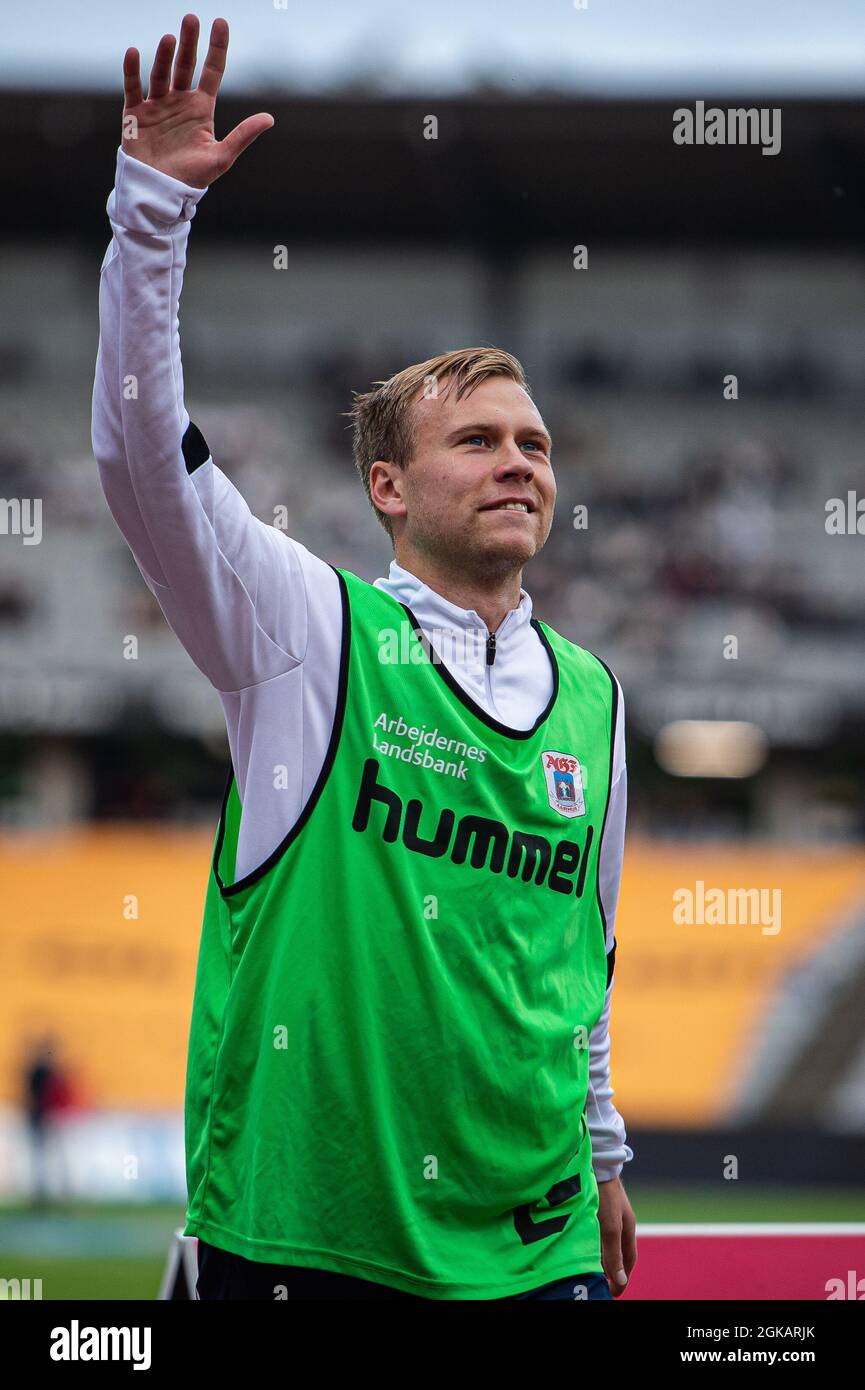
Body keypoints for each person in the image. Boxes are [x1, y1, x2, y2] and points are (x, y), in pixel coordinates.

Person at [92, 13, 636, 1301]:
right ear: (387, 488)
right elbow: (135, 460)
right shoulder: (307, 632)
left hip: (536, 1242)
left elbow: (583, 954)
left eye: (537, 444)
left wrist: (605, 1150)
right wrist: (153, 210)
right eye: (479, 441)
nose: (520, 460)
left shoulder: (600, 697)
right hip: (309, 1237)